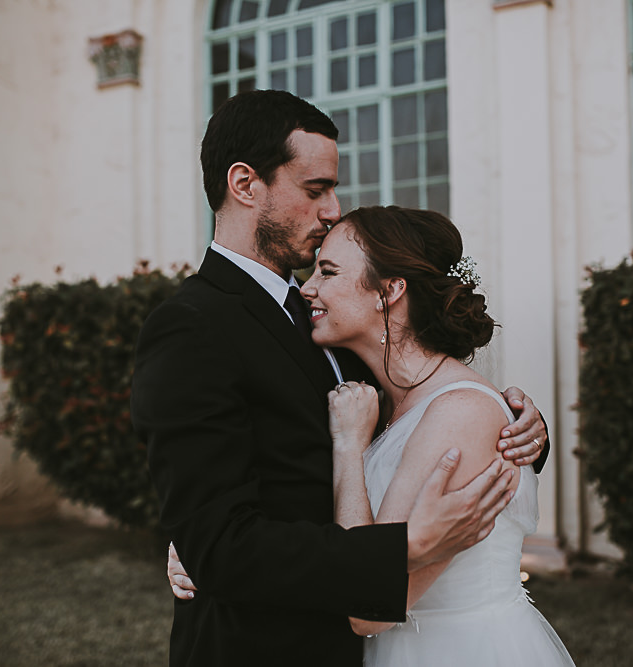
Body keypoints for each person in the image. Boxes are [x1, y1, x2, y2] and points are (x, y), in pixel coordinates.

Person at [131, 90, 549, 667]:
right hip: (263, 649)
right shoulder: (191, 327)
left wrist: (516, 428)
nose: (332, 209)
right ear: (245, 184)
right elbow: (221, 542)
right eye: (314, 189)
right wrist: (406, 546)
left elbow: (416, 410)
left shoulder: (329, 316)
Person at [302, 205, 575, 666]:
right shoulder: (390, 402)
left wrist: (349, 447)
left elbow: (371, 608)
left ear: (389, 291)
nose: (308, 287)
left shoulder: (459, 414)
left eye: (327, 271)